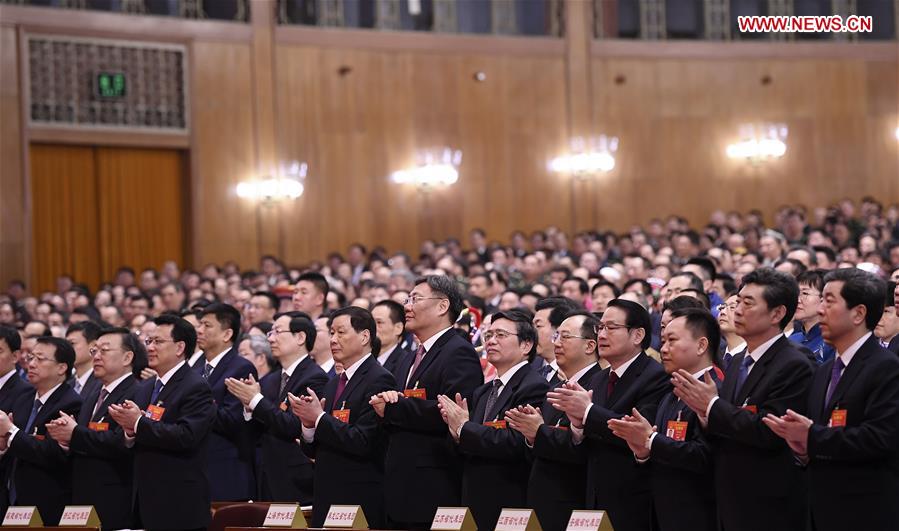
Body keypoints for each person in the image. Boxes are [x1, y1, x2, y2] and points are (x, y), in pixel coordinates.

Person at [673, 268, 813, 531]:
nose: (737, 310)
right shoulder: (736, 361)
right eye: (737, 302)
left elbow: (770, 430)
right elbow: (723, 426)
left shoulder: (795, 364)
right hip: (729, 499)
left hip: (769, 503)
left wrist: (711, 406)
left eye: (748, 303)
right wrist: (704, 417)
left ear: (777, 313)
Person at [763, 268, 899, 531]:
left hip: (866, 512)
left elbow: (880, 438)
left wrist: (811, 436)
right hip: (820, 510)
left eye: (830, 301)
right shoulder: (824, 369)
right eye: (821, 300)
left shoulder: (887, 368)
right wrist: (802, 450)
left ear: (859, 313)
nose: (821, 310)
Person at [369, 276, 483, 529]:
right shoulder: (409, 357)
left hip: (433, 486)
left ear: (442, 306)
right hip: (398, 485)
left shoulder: (458, 351)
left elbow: (452, 410)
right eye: (407, 299)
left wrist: (394, 407)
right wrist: (384, 404)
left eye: (415, 299)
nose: (407, 306)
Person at [547, 299, 669, 531]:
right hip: (592, 500)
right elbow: (585, 442)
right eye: (600, 328)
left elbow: (637, 432)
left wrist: (588, 413)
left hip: (633, 500)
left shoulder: (655, 376)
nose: (602, 334)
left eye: (611, 328)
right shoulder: (599, 379)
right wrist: (577, 426)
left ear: (637, 335)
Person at [608, 308, 721, 531]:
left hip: (701, 513)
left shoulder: (716, 391)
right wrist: (642, 451)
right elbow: (661, 452)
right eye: (663, 340)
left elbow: (704, 456)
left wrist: (651, 439)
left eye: (672, 340)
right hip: (663, 513)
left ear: (701, 345)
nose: (663, 348)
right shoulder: (671, 394)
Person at [438, 310, 548, 530]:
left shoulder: (533, 387)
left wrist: (464, 427)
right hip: (473, 499)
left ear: (526, 345)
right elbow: (470, 444)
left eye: (501, 335)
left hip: (509, 499)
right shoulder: (484, 391)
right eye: (488, 335)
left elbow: (514, 443)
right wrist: (456, 434)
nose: (491, 341)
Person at [107, 315, 216, 531]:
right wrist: (128, 431)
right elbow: (133, 437)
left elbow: (186, 436)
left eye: (158, 342)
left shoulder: (195, 386)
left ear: (179, 347)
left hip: (179, 503)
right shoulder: (146, 387)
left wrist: (137, 423)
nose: (150, 348)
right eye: (149, 341)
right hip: (144, 500)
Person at [293, 307, 396, 527]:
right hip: (325, 496)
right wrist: (309, 426)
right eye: (331, 333)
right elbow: (316, 448)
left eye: (341, 332)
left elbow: (364, 441)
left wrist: (319, 418)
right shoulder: (333, 383)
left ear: (365, 336)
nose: (333, 339)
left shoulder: (379, 379)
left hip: (358, 498)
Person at [508, 311, 601, 531]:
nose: (557, 343)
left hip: (575, 504)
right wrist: (531, 437)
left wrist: (538, 432)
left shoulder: (598, 386)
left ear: (590, 346)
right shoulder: (555, 387)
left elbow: (583, 447)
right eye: (556, 336)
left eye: (565, 337)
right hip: (542, 500)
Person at [225, 312, 328, 503]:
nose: (270, 338)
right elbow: (256, 430)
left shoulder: (315, 377)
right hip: (263, 475)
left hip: (295, 480)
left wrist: (255, 400)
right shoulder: (270, 380)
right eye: (270, 332)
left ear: (300, 337)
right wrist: (248, 407)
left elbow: (294, 425)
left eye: (277, 332)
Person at [46, 328, 142, 529]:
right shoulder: (94, 393)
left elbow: (120, 442)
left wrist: (75, 433)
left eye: (104, 351)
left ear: (127, 357)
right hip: (82, 495)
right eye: (94, 351)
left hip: (115, 496)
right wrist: (65, 439)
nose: (96, 356)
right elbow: (85, 437)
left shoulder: (137, 391)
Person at [0, 337, 81, 525]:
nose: (32, 364)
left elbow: (52, 453)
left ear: (62, 368)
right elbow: (15, 444)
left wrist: (11, 431)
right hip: (11, 500)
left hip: (46, 502)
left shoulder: (70, 403)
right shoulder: (24, 397)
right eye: (31, 358)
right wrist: (4, 445)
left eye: (40, 359)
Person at [195, 303, 257, 501]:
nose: (199, 330)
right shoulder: (195, 369)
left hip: (224, 469)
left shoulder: (240, 368)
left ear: (226, 334)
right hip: (194, 468)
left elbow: (232, 421)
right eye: (199, 324)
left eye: (207, 325)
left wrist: (198, 402)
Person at [371, 300, 412, 381]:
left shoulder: (406, 362)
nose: (372, 328)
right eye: (371, 322)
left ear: (398, 328)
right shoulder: (365, 359)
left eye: (379, 322)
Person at [65, 321, 102, 397]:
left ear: (94, 346)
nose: (67, 349)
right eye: (66, 344)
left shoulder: (102, 383)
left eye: (72, 343)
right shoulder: (67, 384)